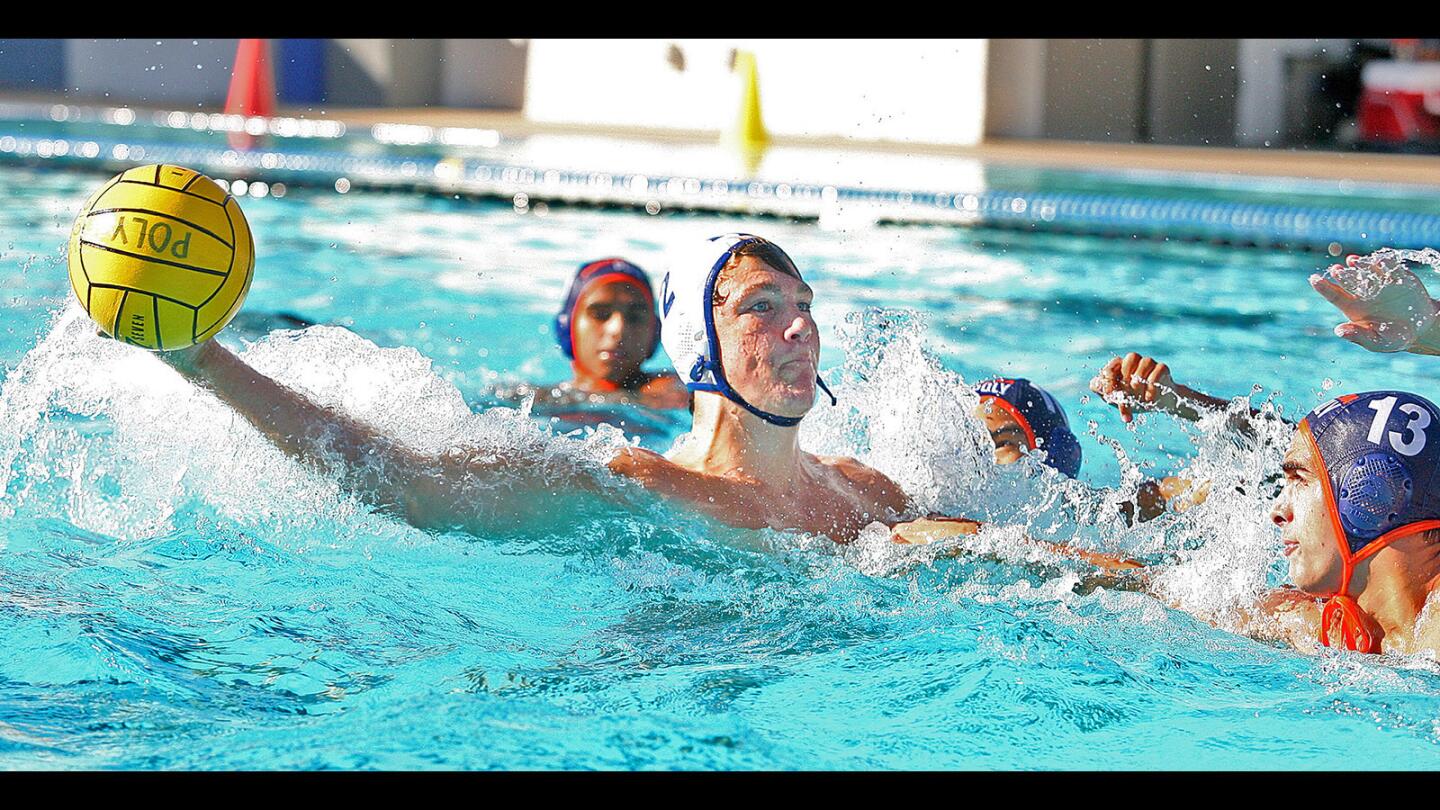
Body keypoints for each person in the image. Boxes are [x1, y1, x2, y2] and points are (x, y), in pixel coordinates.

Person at [137, 231, 1137, 581]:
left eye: (806, 309)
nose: (799, 330)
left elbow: (1007, 550)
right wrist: (205, 365)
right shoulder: (634, 487)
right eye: (761, 309)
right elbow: (405, 481)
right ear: (702, 347)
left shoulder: (868, 492)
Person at [1091, 353, 1440, 655]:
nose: (1276, 511)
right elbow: (1156, 587)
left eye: (1298, 479)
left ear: (1370, 495)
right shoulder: (1324, 626)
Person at [496, 258, 689, 411]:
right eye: (600, 314)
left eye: (635, 317)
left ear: (655, 333)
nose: (617, 329)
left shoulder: (678, 390)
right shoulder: (529, 398)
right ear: (567, 328)